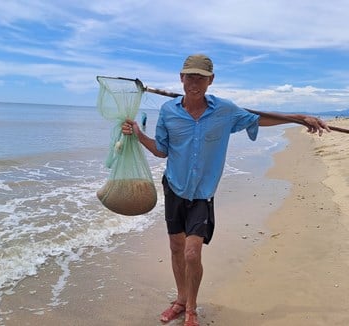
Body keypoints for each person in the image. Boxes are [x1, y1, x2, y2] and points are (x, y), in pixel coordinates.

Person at [121, 54, 330, 326]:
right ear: (181, 78)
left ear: (211, 80)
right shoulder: (169, 112)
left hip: (202, 193)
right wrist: (138, 134)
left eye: (201, 77)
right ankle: (180, 300)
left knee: (192, 253)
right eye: (190, 76)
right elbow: (162, 151)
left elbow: (257, 119)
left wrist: (300, 118)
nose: (194, 82)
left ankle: (192, 308)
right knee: (176, 247)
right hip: (174, 186)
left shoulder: (225, 111)